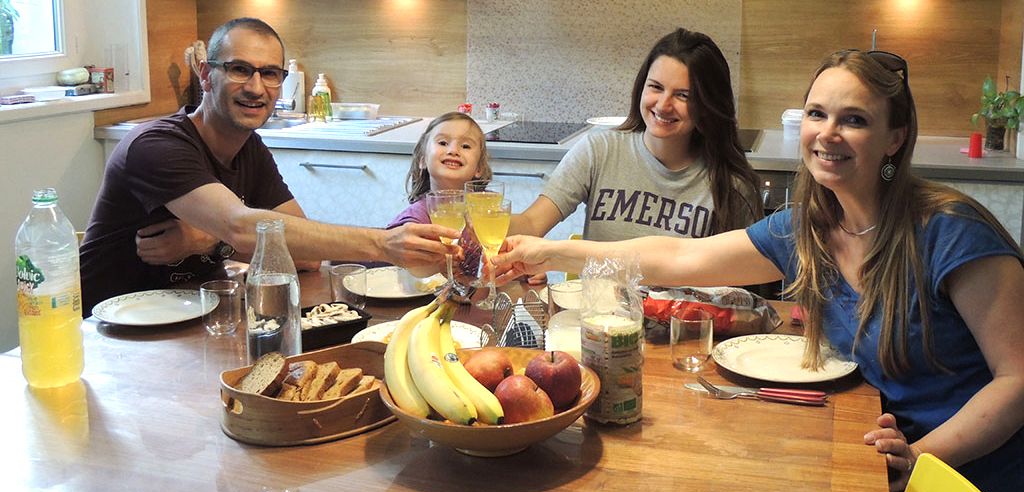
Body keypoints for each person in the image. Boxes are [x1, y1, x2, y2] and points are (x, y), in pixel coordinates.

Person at [495, 49, 1024, 492]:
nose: (828, 133)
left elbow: (1017, 381)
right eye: (817, 114)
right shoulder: (808, 229)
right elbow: (679, 258)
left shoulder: (950, 233)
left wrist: (921, 456)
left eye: (855, 119)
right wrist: (550, 251)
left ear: (894, 138)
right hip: (877, 460)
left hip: (969, 478)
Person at [80, 17, 457, 314]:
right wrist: (383, 243)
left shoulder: (250, 150)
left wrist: (207, 242)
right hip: (110, 328)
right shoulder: (157, 145)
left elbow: (306, 257)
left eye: (270, 73)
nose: (256, 88)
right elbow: (239, 226)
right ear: (206, 76)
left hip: (196, 315)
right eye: (239, 69)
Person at [509, 28, 762, 250]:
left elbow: (737, 286)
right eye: (656, 87)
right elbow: (531, 223)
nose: (663, 105)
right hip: (600, 306)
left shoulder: (732, 186)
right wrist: (474, 219)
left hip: (687, 307)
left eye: (683, 95)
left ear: (708, 104)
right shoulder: (598, 150)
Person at [386, 112, 491, 281]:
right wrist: (436, 265)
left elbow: (502, 253)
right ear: (423, 160)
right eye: (443, 143)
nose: (453, 151)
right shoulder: (417, 217)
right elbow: (407, 269)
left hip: (472, 302)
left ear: (479, 168)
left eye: (465, 146)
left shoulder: (487, 209)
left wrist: (524, 269)